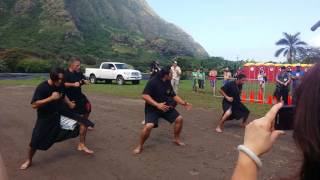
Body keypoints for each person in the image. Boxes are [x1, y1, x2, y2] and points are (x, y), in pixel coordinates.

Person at [232, 62, 320, 180]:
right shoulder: (281, 75)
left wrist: (248, 153)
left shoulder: (288, 75)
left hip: (285, 88)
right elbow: (282, 79)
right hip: (280, 88)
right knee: (278, 98)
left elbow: (290, 79)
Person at [20, 68, 94, 170]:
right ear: (52, 77)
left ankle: (81, 144)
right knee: (35, 142)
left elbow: (63, 96)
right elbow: (34, 105)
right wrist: (50, 98)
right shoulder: (42, 87)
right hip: (45, 118)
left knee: (84, 122)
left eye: (62, 79)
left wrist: (69, 103)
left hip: (61, 114)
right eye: (58, 79)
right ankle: (28, 160)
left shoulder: (61, 85)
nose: (60, 81)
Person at [133, 67, 192, 154]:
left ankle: (176, 139)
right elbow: (144, 96)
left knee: (179, 119)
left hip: (165, 107)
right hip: (153, 108)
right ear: (166, 75)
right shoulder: (153, 82)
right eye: (171, 73)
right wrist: (157, 105)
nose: (173, 75)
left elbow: (173, 95)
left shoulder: (167, 82)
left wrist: (184, 103)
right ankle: (140, 146)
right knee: (148, 126)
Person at [64, 58, 93, 130]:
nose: (79, 67)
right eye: (77, 65)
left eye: (79, 65)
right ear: (71, 65)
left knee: (88, 108)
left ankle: (84, 122)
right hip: (69, 97)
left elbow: (83, 80)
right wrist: (73, 84)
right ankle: (78, 123)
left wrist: (85, 81)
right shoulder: (65, 73)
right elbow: (62, 84)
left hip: (79, 96)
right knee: (72, 113)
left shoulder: (78, 73)